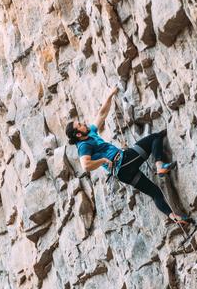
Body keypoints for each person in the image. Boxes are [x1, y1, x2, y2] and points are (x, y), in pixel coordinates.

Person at [65, 87, 189, 225]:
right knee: (155, 138)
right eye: (80, 125)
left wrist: (110, 95)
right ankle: (159, 166)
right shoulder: (83, 146)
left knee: (154, 192)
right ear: (78, 134)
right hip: (124, 161)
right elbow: (85, 165)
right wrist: (103, 160)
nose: (84, 124)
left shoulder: (90, 133)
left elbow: (101, 114)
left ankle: (173, 217)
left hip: (122, 174)